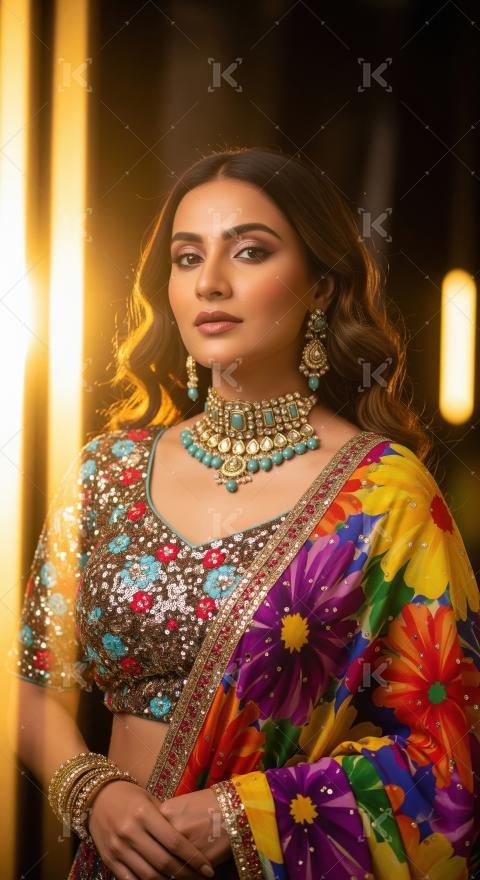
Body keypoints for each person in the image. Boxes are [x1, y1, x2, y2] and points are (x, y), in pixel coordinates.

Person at [6, 146, 480, 880]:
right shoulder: (107, 471)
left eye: (250, 252)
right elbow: (27, 682)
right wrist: (89, 790)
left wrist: (241, 812)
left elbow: (448, 755)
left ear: (321, 286)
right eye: (187, 258)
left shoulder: (383, 495)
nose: (211, 283)